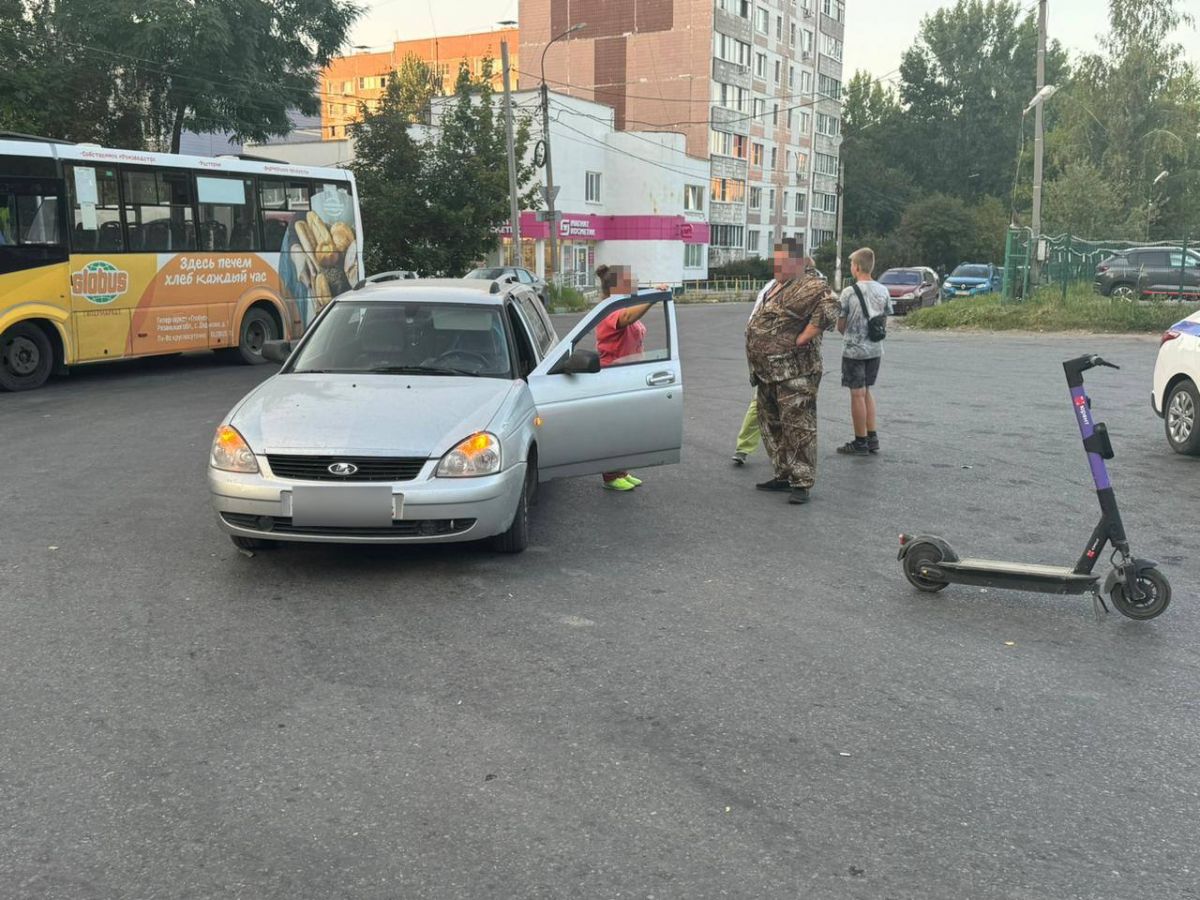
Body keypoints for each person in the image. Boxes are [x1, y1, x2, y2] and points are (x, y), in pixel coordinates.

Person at [744, 238, 840, 505]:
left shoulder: (811, 284)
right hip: (767, 373)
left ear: (796, 262)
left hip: (794, 373)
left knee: (798, 427)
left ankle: (802, 481)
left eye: (781, 260)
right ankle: (783, 473)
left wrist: (804, 337)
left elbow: (832, 307)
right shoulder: (778, 285)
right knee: (771, 424)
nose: (775, 265)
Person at [594, 264, 665, 492]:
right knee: (615, 428)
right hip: (614, 377)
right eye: (630, 281)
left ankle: (621, 470)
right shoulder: (610, 311)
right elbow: (625, 318)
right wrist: (653, 299)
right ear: (617, 287)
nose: (634, 283)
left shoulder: (623, 305)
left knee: (627, 427)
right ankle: (610, 475)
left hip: (629, 376)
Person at [731, 246, 789, 466]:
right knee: (759, 404)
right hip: (768, 357)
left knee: (787, 407)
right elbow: (752, 323)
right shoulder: (769, 290)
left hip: (788, 360)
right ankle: (743, 447)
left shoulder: (802, 291)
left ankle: (785, 453)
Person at [836, 247, 893, 455]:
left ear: (857, 267)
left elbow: (840, 324)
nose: (851, 268)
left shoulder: (849, 292)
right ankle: (872, 437)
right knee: (867, 390)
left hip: (854, 351)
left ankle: (860, 441)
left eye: (851, 265)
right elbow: (884, 319)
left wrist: (850, 334)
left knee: (856, 394)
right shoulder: (883, 290)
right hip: (875, 350)